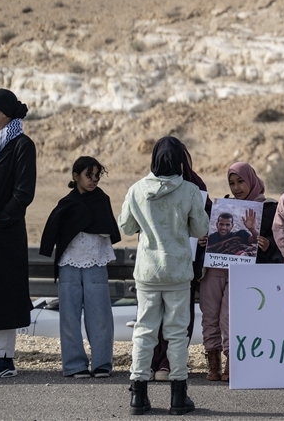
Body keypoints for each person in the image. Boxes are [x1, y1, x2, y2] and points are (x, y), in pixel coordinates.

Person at [119, 136, 209, 415]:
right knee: (177, 333)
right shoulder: (191, 191)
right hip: (179, 271)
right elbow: (200, 229)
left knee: (144, 331)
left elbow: (126, 225)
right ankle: (178, 396)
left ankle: (138, 394)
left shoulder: (136, 189)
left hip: (147, 271)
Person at [39, 156, 121, 379]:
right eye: (89, 175)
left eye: (97, 175)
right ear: (75, 177)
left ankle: (102, 363)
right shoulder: (67, 203)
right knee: (69, 315)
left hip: (95, 261)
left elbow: (108, 230)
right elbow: (56, 231)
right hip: (69, 264)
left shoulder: (101, 200)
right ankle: (74, 364)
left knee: (100, 314)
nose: (94, 180)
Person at [200, 162, 280, 383]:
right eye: (232, 183)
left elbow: (278, 240)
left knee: (230, 317)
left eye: (241, 181)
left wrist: (267, 245)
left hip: (242, 273)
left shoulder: (269, 207)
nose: (236, 188)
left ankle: (231, 361)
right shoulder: (223, 208)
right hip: (215, 269)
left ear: (252, 180)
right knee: (209, 314)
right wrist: (204, 240)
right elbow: (210, 233)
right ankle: (213, 362)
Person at [150, 145, 208, 382]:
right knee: (162, 316)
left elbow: (205, 221)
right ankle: (156, 364)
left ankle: (166, 364)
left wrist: (204, 237)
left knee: (171, 315)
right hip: (168, 263)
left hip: (175, 263)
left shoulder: (195, 187)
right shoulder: (151, 187)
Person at [0, 89, 35, 381]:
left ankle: (3, 360)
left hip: (4, 235)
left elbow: (23, 192)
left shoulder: (22, 145)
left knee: (4, 298)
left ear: (4, 112)